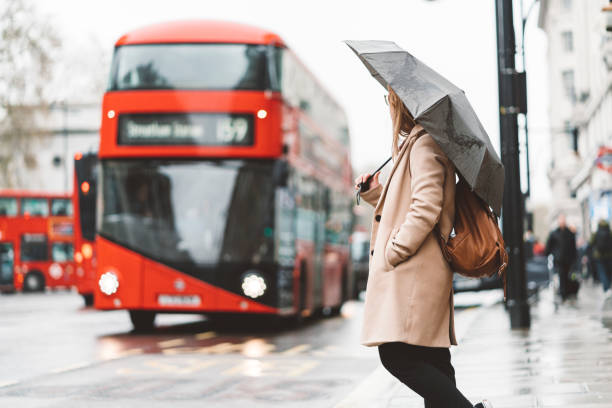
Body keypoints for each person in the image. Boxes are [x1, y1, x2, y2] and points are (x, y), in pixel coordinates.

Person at [354, 87, 492, 408]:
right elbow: (410, 202)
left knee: (396, 355)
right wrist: (376, 194)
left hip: (415, 272)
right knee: (434, 362)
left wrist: (395, 249)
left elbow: (426, 206)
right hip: (424, 273)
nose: (388, 107)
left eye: (390, 100)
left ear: (401, 103)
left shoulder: (424, 143)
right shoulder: (419, 143)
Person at [545, 213, 577, 302]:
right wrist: (548, 254)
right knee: (561, 276)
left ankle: (566, 292)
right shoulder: (554, 233)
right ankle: (563, 294)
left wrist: (574, 258)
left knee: (567, 276)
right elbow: (549, 246)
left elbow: (573, 246)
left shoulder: (570, 233)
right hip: (559, 259)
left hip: (568, 259)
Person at [589, 219, 612, 297]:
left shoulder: (596, 233)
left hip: (598, 256)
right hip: (609, 255)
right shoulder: (610, 232)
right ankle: (609, 286)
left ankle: (606, 288)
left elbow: (591, 243)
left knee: (602, 272)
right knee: (609, 271)